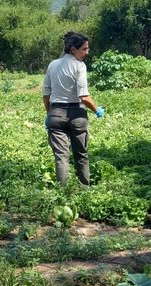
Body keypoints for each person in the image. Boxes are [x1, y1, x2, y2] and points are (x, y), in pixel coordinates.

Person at [43, 32, 104, 186]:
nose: (87, 53)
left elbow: (46, 94)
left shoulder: (52, 65)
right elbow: (83, 96)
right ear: (73, 49)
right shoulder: (79, 66)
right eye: (84, 49)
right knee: (81, 155)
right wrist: (97, 110)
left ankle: (63, 194)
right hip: (77, 114)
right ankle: (85, 188)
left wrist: (49, 113)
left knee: (61, 157)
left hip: (56, 114)